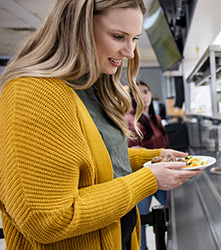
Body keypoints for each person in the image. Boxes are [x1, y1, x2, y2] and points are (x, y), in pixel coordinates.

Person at [0, 1, 202, 250]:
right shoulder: (34, 91)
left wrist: (155, 158)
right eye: (118, 36)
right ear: (78, 27)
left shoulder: (91, 86)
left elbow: (89, 161)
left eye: (135, 39)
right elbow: (48, 219)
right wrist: (148, 179)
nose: (129, 52)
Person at [125, 81, 169, 250]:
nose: (143, 95)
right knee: (141, 221)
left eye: (146, 91)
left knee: (172, 211)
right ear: (133, 98)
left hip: (162, 174)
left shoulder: (155, 117)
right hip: (143, 176)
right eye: (139, 92)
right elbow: (132, 150)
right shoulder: (131, 120)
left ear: (151, 94)